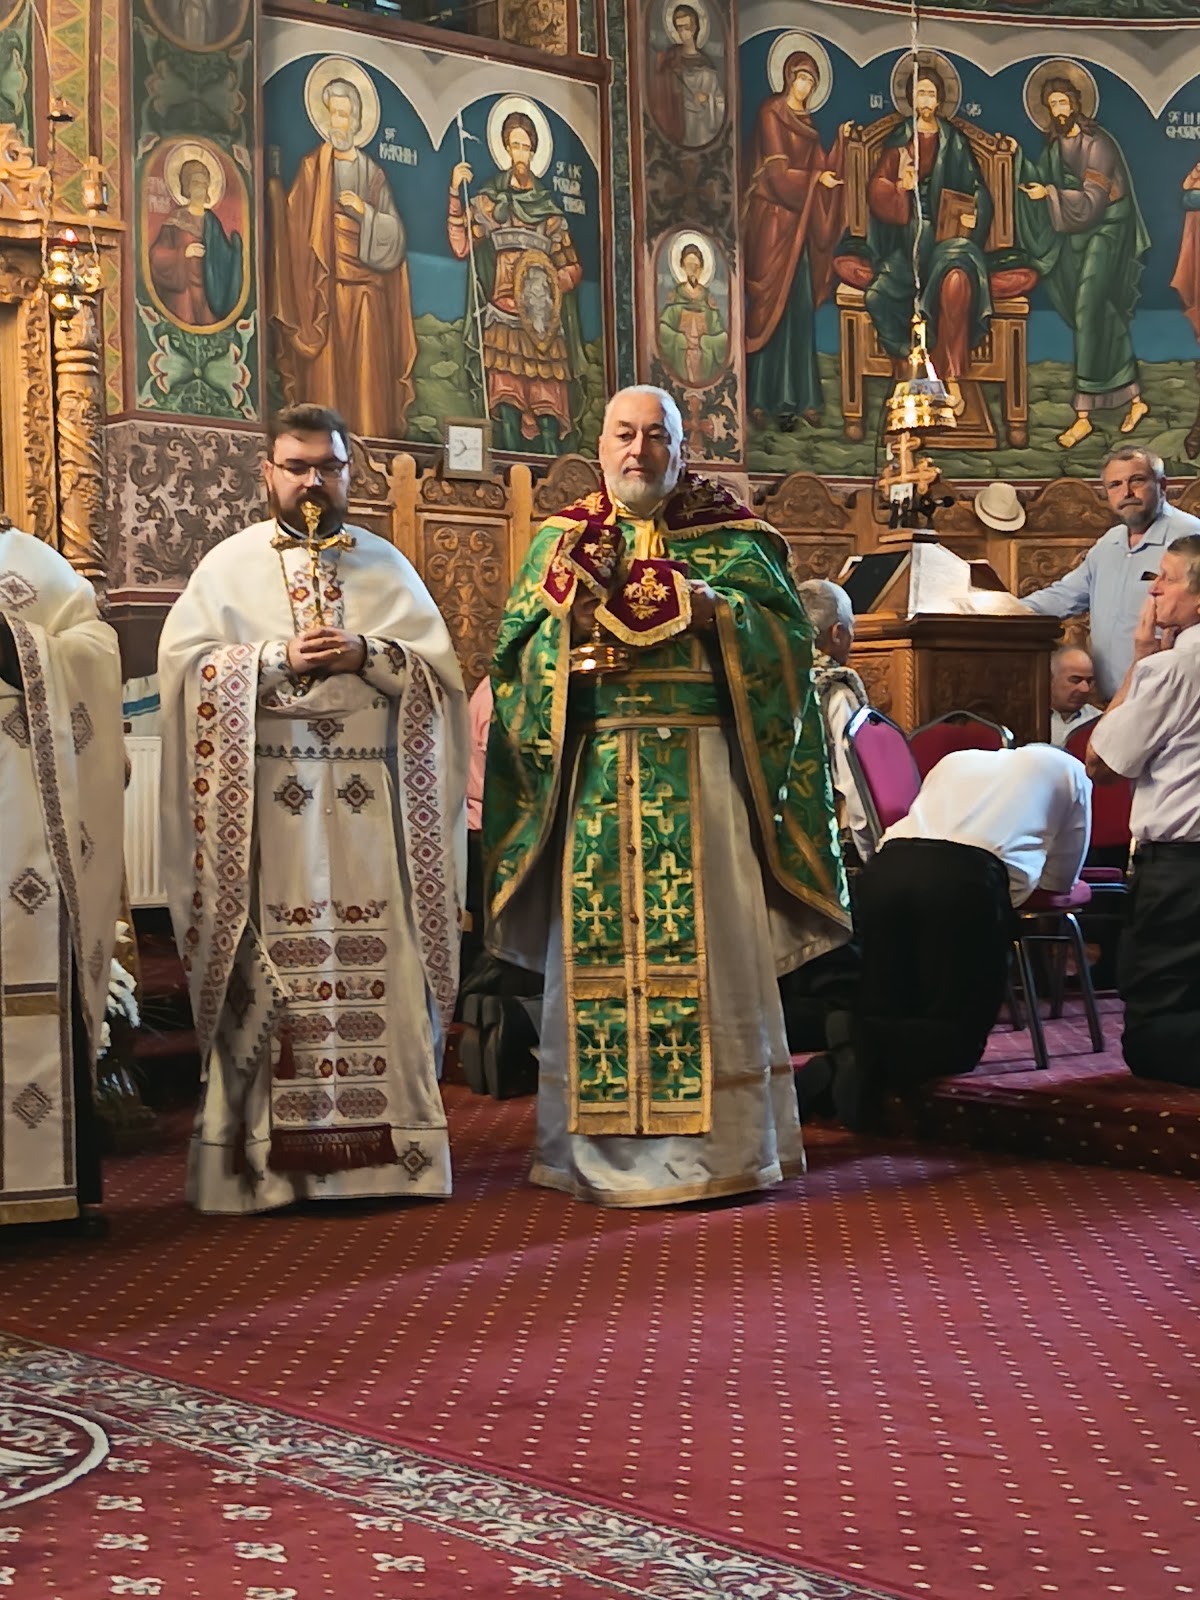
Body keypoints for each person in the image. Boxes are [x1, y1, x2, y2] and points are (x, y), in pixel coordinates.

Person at [483, 384, 850, 1205]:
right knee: (598, 960)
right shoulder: (560, 541)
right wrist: (567, 628)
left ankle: (720, 1151)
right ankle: (595, 1151)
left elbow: (790, 646)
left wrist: (717, 611)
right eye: (624, 433)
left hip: (702, 771)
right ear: (599, 445)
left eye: (657, 435)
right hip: (596, 773)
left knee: (711, 951)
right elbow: (511, 659)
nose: (639, 450)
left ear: (683, 449)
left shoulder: (736, 537)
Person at [158, 404, 469, 1214]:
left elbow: (440, 684)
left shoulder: (387, 567)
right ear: (267, 473)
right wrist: (269, 659)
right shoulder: (227, 569)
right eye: (295, 467)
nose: (311, 482)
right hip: (268, 817)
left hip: (371, 819)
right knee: (274, 975)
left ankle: (392, 1155)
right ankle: (264, 1164)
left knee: (385, 966)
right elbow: (185, 676)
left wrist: (371, 652)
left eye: (327, 467)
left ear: (347, 473)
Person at [842, 744, 1090, 1126]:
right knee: (956, 1042)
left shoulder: (954, 759)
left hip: (886, 868)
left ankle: (850, 1054)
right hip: (964, 881)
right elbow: (1060, 879)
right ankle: (854, 1047)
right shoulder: (1071, 771)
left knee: (888, 1004)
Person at [0, 520, 124, 1235]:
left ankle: (41, 1191)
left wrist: (18, 644)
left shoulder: (37, 567)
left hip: (23, 819)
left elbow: (94, 651)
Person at [1086, 536, 1200, 1085]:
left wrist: (1138, 661)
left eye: (1168, 578)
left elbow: (1102, 761)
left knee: (1154, 1034)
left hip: (1181, 871)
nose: (1154, 590)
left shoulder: (1173, 669)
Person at [268, 77, 417, 439]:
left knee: (368, 382)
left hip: (366, 295)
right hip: (324, 292)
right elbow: (294, 229)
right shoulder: (311, 168)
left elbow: (395, 236)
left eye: (346, 115)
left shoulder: (373, 173)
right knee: (326, 379)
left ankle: (370, 452)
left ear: (357, 120)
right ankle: (321, 450)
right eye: (333, 114)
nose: (339, 123)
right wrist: (273, 195)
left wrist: (365, 212)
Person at [1016, 75, 1150, 449]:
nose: (1059, 110)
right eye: (1052, 105)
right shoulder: (1055, 147)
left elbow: (1093, 202)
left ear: (1077, 103)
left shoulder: (1098, 144)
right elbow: (1040, 180)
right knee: (1099, 311)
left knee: (1088, 306)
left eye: (1063, 102)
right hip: (1077, 230)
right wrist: (1015, 158)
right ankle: (1135, 398)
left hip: (1108, 227)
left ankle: (1083, 416)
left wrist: (1051, 194)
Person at [448, 110, 586, 455]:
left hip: (542, 326)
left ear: (534, 152)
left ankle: (554, 479)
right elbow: (462, 246)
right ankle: (509, 476)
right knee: (507, 410)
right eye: (515, 146)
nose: (520, 154)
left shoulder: (549, 213)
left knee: (548, 415)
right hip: (503, 320)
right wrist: (454, 191)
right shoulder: (491, 204)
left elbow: (571, 266)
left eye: (526, 147)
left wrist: (555, 280)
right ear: (506, 149)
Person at [1021, 447, 1200, 701]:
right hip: (1113, 700)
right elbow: (1063, 596)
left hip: (1169, 699)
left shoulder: (1191, 537)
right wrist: (1002, 611)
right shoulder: (1109, 543)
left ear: (1162, 485)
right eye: (1115, 485)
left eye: (1136, 481)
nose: (1126, 493)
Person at [864, 66, 992, 412]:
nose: (926, 100)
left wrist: (974, 214)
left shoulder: (954, 141)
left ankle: (951, 379)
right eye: (920, 93)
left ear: (940, 100)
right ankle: (908, 368)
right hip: (908, 242)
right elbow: (877, 189)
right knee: (877, 295)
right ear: (911, 98)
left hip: (949, 240)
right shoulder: (900, 139)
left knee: (956, 282)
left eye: (931, 93)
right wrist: (899, 188)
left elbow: (977, 189)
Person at [742, 50, 844, 428]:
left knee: (799, 308)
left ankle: (802, 398)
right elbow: (778, 176)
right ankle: (759, 399)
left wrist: (842, 146)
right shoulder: (771, 113)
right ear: (788, 78)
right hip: (772, 223)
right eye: (801, 78)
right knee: (769, 307)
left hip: (799, 229)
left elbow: (822, 168)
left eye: (811, 81)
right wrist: (816, 180)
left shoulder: (809, 125)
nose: (805, 86)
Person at [796, 578, 873, 864]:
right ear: (837, 633)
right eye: (852, 627)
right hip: (821, 843)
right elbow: (855, 786)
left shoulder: (770, 679)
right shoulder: (837, 693)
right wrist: (871, 854)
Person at [148, 156, 243, 328]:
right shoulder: (176, 219)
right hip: (183, 294)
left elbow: (223, 256)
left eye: (204, 184)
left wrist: (235, 252)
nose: (200, 188)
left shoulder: (212, 221)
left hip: (207, 292)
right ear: (187, 187)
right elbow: (156, 256)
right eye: (196, 183)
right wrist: (183, 254)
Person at [658, 241, 728, 389]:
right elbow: (663, 328)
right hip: (682, 351)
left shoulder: (707, 299)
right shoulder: (676, 296)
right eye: (689, 265)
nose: (692, 270)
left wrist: (706, 342)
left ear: (701, 268)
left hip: (703, 352)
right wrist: (680, 339)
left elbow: (720, 333)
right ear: (682, 266)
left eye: (696, 266)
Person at [654, 3, 725, 148]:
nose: (683, 33)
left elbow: (721, 102)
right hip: (680, 121)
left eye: (687, 27)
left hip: (703, 127)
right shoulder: (672, 59)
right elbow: (661, 91)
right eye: (679, 28)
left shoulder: (706, 64)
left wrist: (707, 99)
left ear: (695, 28)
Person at [1048, 644, 1101, 746]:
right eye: (1075, 680)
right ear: (1050, 679)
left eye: (1089, 681)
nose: (1085, 689)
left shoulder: (1099, 722)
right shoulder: (1028, 720)